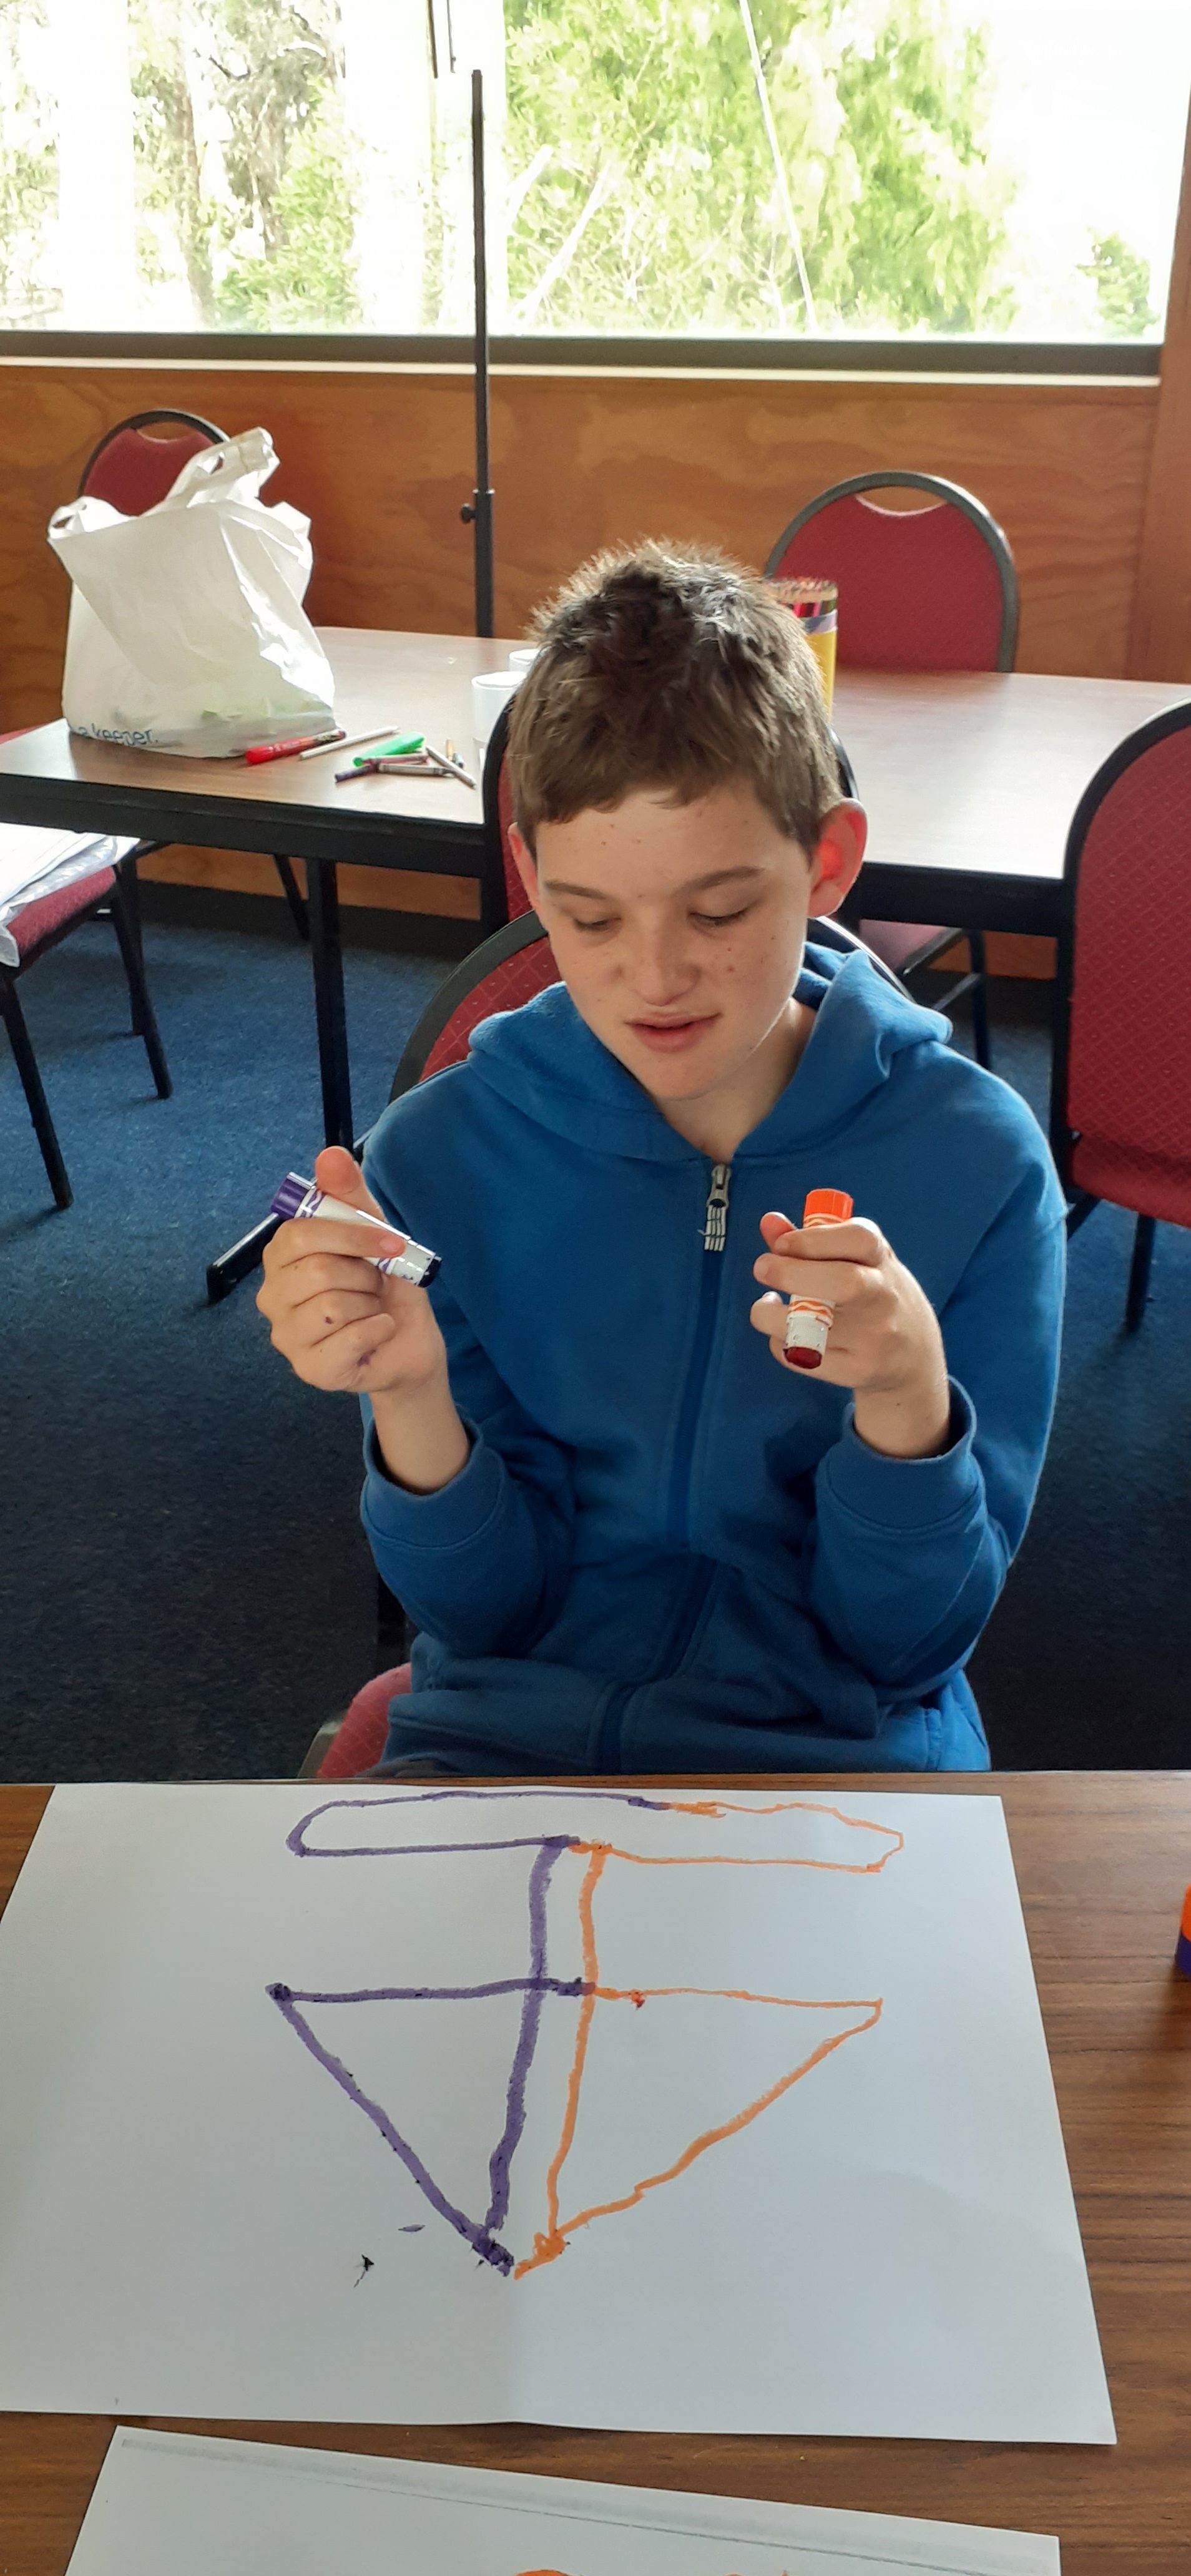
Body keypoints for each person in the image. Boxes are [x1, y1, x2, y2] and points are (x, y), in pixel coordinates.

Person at [258, 541, 1065, 1777]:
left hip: (839, 1757)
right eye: (590, 919)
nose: (656, 976)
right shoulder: (440, 1158)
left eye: (720, 910)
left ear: (829, 863)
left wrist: (907, 1404)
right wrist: (412, 1397)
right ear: (531, 878)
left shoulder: (977, 1164)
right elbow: (481, 1622)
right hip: (506, 1742)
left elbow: (909, 1648)